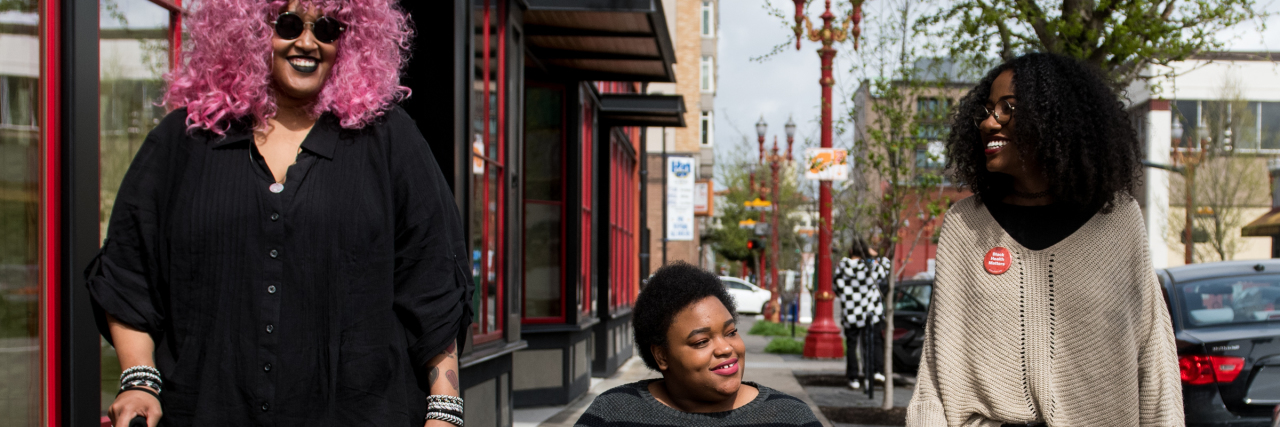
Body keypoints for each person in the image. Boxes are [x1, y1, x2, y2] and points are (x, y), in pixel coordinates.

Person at [86, 0, 473, 425]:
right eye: (288, 24)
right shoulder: (187, 139)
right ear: (249, 29)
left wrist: (445, 407)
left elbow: (433, 277)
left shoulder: (390, 139)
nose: (307, 42)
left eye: (327, 29)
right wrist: (139, 381)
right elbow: (129, 268)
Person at [905, 52, 1182, 426]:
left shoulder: (1117, 222)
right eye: (987, 110)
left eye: (1008, 108)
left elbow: (1155, 362)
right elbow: (934, 379)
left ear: (1053, 118)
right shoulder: (965, 226)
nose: (989, 122)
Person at [575, 262, 821, 427]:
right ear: (662, 356)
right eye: (702, 341)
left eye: (731, 332)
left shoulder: (791, 418)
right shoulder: (613, 413)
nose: (725, 348)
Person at [833, 239, 889, 391]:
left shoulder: (842, 267)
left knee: (852, 346)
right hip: (870, 313)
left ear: (851, 251)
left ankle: (853, 378)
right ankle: (873, 373)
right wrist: (873, 254)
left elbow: (836, 288)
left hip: (850, 314)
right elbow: (886, 266)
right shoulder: (871, 267)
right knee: (871, 344)